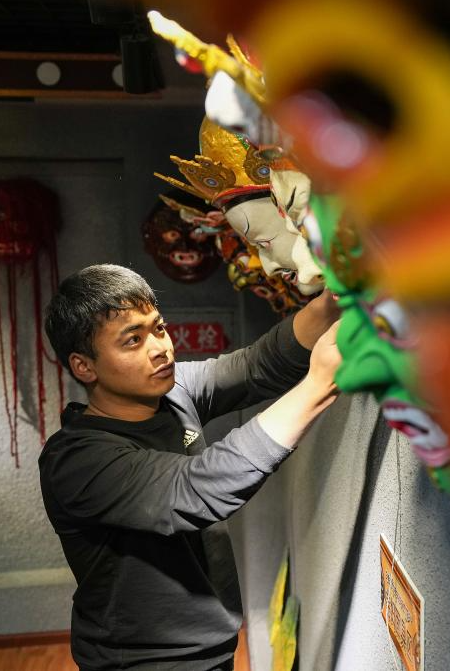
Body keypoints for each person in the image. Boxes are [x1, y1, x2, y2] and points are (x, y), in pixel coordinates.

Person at [38, 263, 340, 670]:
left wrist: (332, 302)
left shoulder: (173, 393)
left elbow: (259, 365)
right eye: (133, 340)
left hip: (212, 649)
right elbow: (198, 488)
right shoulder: (75, 461)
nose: (160, 348)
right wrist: (318, 386)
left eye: (158, 328)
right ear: (84, 366)